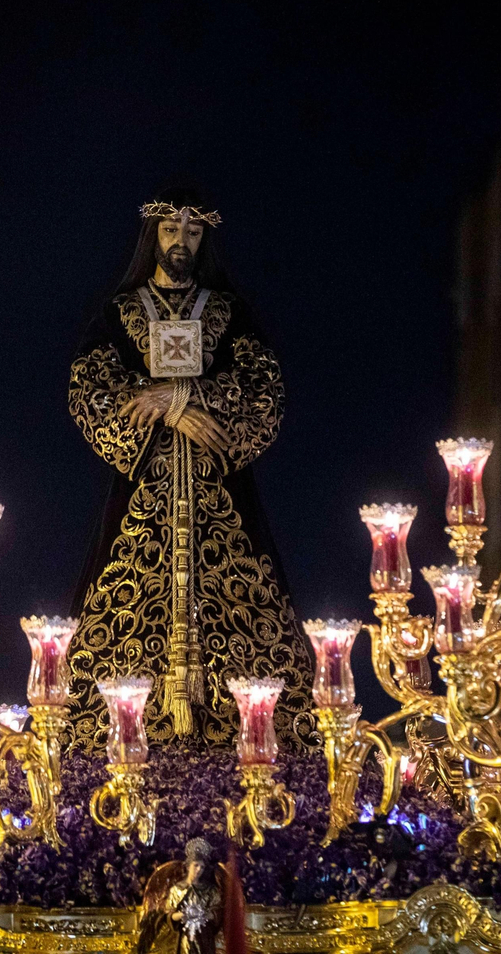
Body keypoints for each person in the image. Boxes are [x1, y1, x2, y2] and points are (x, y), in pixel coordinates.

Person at [67, 188, 312, 750]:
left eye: (194, 233)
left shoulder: (229, 313)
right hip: (143, 497)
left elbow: (264, 389)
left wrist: (178, 396)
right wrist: (160, 405)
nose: (181, 242)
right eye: (172, 230)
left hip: (219, 496)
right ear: (153, 234)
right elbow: (91, 386)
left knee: (252, 638)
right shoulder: (120, 313)